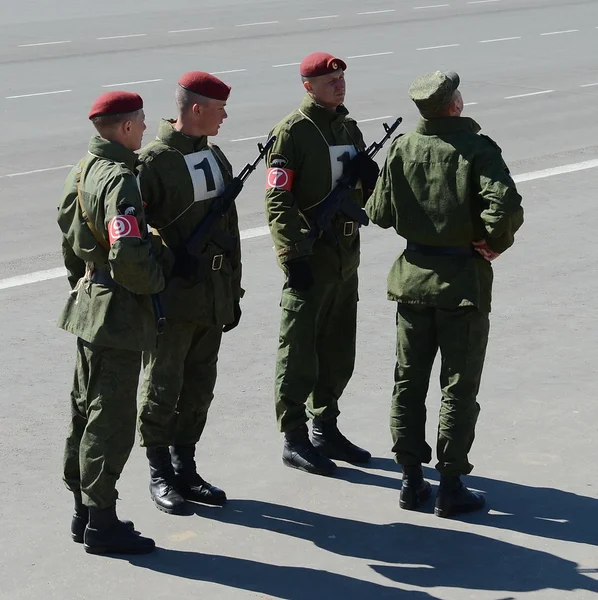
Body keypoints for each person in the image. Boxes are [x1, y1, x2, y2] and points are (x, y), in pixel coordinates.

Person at [365, 71, 524, 517]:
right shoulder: (477, 148)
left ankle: (410, 480)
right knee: (458, 386)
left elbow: (378, 212)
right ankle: (451, 484)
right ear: (454, 104)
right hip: (462, 286)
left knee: (408, 381)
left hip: (412, 280)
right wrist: (495, 242)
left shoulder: (402, 148)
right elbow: (506, 206)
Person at [58, 91, 166, 553]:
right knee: (112, 417)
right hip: (118, 313)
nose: (144, 129)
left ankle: (83, 513)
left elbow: (67, 230)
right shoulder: (120, 179)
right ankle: (102, 522)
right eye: (140, 122)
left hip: (88, 303)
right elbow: (130, 258)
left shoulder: (83, 168)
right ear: (124, 127)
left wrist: (83, 279)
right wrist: (160, 279)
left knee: (84, 410)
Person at [265, 52, 379, 476]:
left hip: (345, 256)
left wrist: (369, 178)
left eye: (341, 77)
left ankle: (324, 427)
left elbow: (364, 195)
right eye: (329, 79)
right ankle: (294, 437)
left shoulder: (348, 127)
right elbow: (277, 200)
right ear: (307, 86)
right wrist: (292, 255)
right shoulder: (292, 133)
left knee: (337, 346)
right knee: (299, 349)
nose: (339, 83)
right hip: (310, 257)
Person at [137, 72, 242, 514]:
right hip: (174, 296)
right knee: (164, 384)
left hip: (212, 294)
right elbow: (131, 233)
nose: (225, 116)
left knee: (200, 385)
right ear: (196, 109)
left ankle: (185, 464)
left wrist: (233, 290)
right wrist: (166, 260)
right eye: (219, 108)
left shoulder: (215, 157)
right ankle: (159, 470)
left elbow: (231, 232)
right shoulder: (154, 162)